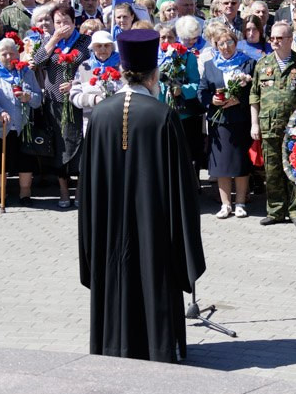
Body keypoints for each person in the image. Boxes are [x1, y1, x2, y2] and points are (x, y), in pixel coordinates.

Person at [78, 28, 205, 363]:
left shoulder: (102, 114)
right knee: (154, 272)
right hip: (155, 226)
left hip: (108, 227)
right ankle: (160, 347)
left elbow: (88, 185)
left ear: (121, 71)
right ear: (154, 75)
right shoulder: (162, 115)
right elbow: (182, 185)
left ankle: (112, 346)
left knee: (114, 274)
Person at [249, 21, 296, 227]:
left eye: (280, 38)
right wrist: (254, 124)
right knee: (273, 170)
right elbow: (254, 95)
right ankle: (276, 210)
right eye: (272, 38)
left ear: (290, 39)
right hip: (269, 125)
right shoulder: (263, 64)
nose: (275, 42)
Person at [33, 5, 91, 208]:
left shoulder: (85, 41)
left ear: (74, 22)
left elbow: (89, 66)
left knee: (80, 145)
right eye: (58, 22)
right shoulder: (48, 40)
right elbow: (38, 61)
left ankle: (80, 191)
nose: (62, 26)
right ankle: (63, 190)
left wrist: (76, 83)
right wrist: (55, 38)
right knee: (59, 146)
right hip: (54, 101)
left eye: (66, 21)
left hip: (76, 101)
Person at [199, 27, 255, 219]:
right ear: (215, 46)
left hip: (240, 120)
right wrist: (211, 101)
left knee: (240, 163)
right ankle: (225, 204)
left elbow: (255, 91)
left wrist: (240, 99)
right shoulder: (210, 65)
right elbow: (202, 91)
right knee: (221, 165)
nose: (225, 47)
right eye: (221, 44)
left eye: (229, 42)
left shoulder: (248, 63)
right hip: (219, 121)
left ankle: (240, 203)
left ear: (236, 43)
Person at [0, 37, 42, 205]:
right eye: (4, 54)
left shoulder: (26, 72)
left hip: (23, 125)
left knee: (25, 160)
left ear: (18, 53)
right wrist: (0, 112)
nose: (9, 57)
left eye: (12, 53)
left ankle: (25, 193)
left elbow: (38, 99)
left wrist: (27, 96)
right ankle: (0, 195)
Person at [69, 30, 123, 135]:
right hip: (92, 124)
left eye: (107, 45)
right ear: (92, 48)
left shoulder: (122, 67)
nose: (103, 49)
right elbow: (74, 95)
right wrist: (93, 99)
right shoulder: (84, 67)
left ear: (112, 47)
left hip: (118, 124)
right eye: (99, 46)